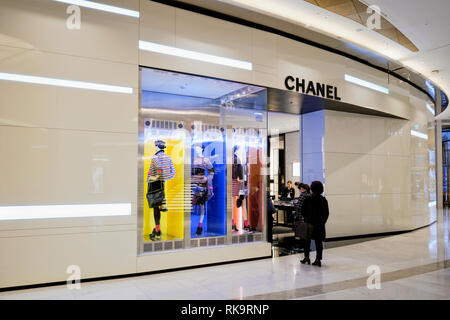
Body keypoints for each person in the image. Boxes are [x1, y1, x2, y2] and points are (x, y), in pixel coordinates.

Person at [147, 140, 176, 241]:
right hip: (162, 184)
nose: (154, 147)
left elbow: (158, 168)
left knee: (155, 208)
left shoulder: (155, 157)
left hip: (154, 184)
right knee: (159, 207)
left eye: (155, 146)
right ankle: (157, 229)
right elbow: (173, 172)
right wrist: (164, 178)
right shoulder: (168, 157)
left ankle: (157, 230)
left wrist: (156, 177)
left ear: (158, 146)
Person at [300, 181, 329, 267]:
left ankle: (306, 257)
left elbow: (303, 211)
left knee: (306, 241)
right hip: (319, 224)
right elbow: (326, 213)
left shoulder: (307, 198)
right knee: (318, 242)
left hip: (309, 223)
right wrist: (322, 221)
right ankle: (318, 259)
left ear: (312, 188)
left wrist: (306, 218)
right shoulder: (323, 200)